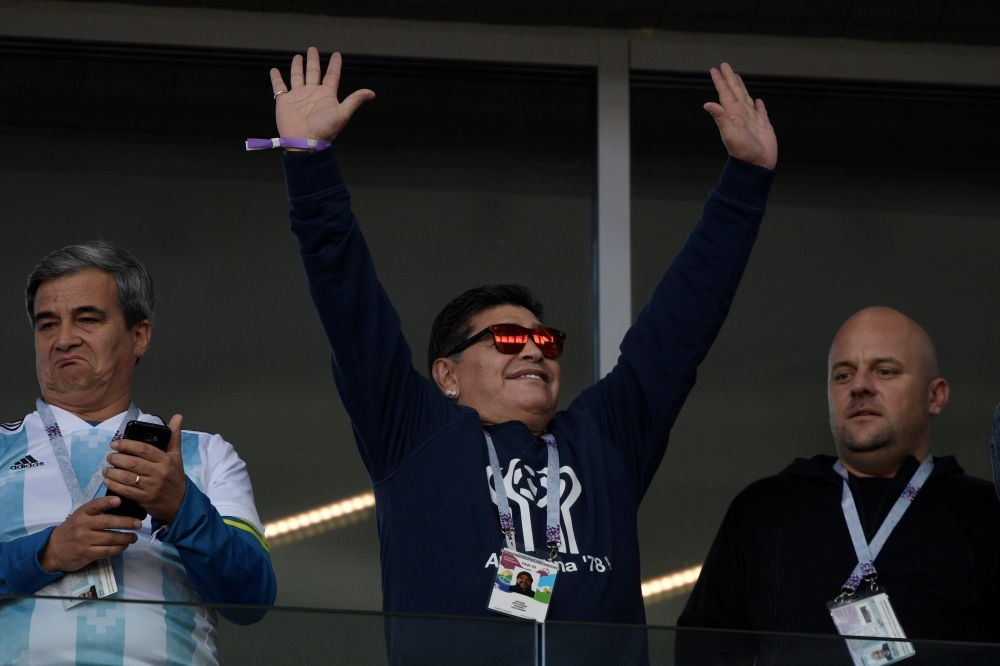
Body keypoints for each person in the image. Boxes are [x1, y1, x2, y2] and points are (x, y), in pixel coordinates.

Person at [270, 48, 776, 663]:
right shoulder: (414, 434)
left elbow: (680, 325)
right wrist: (309, 163)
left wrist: (745, 181)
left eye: (546, 339)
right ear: (447, 375)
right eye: (508, 338)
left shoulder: (605, 440)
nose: (535, 346)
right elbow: (350, 304)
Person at [0, 241, 276, 665]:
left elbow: (252, 598)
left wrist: (181, 507)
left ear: (139, 336)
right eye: (47, 324)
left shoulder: (205, 453)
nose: (64, 339)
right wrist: (48, 552)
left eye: (87, 319)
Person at [677, 307, 1000, 664]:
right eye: (843, 375)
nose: (859, 386)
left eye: (884, 371)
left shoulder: (985, 511)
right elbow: (702, 652)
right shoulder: (766, 510)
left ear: (935, 396)